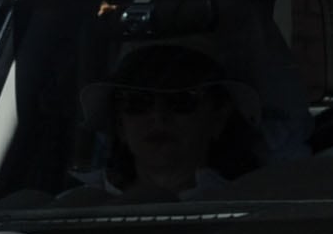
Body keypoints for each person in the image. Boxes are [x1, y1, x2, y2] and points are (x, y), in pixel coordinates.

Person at [88, 39, 248, 201]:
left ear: (218, 118)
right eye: (137, 102)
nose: (159, 116)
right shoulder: (75, 210)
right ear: (120, 124)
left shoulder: (251, 204)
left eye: (182, 100)